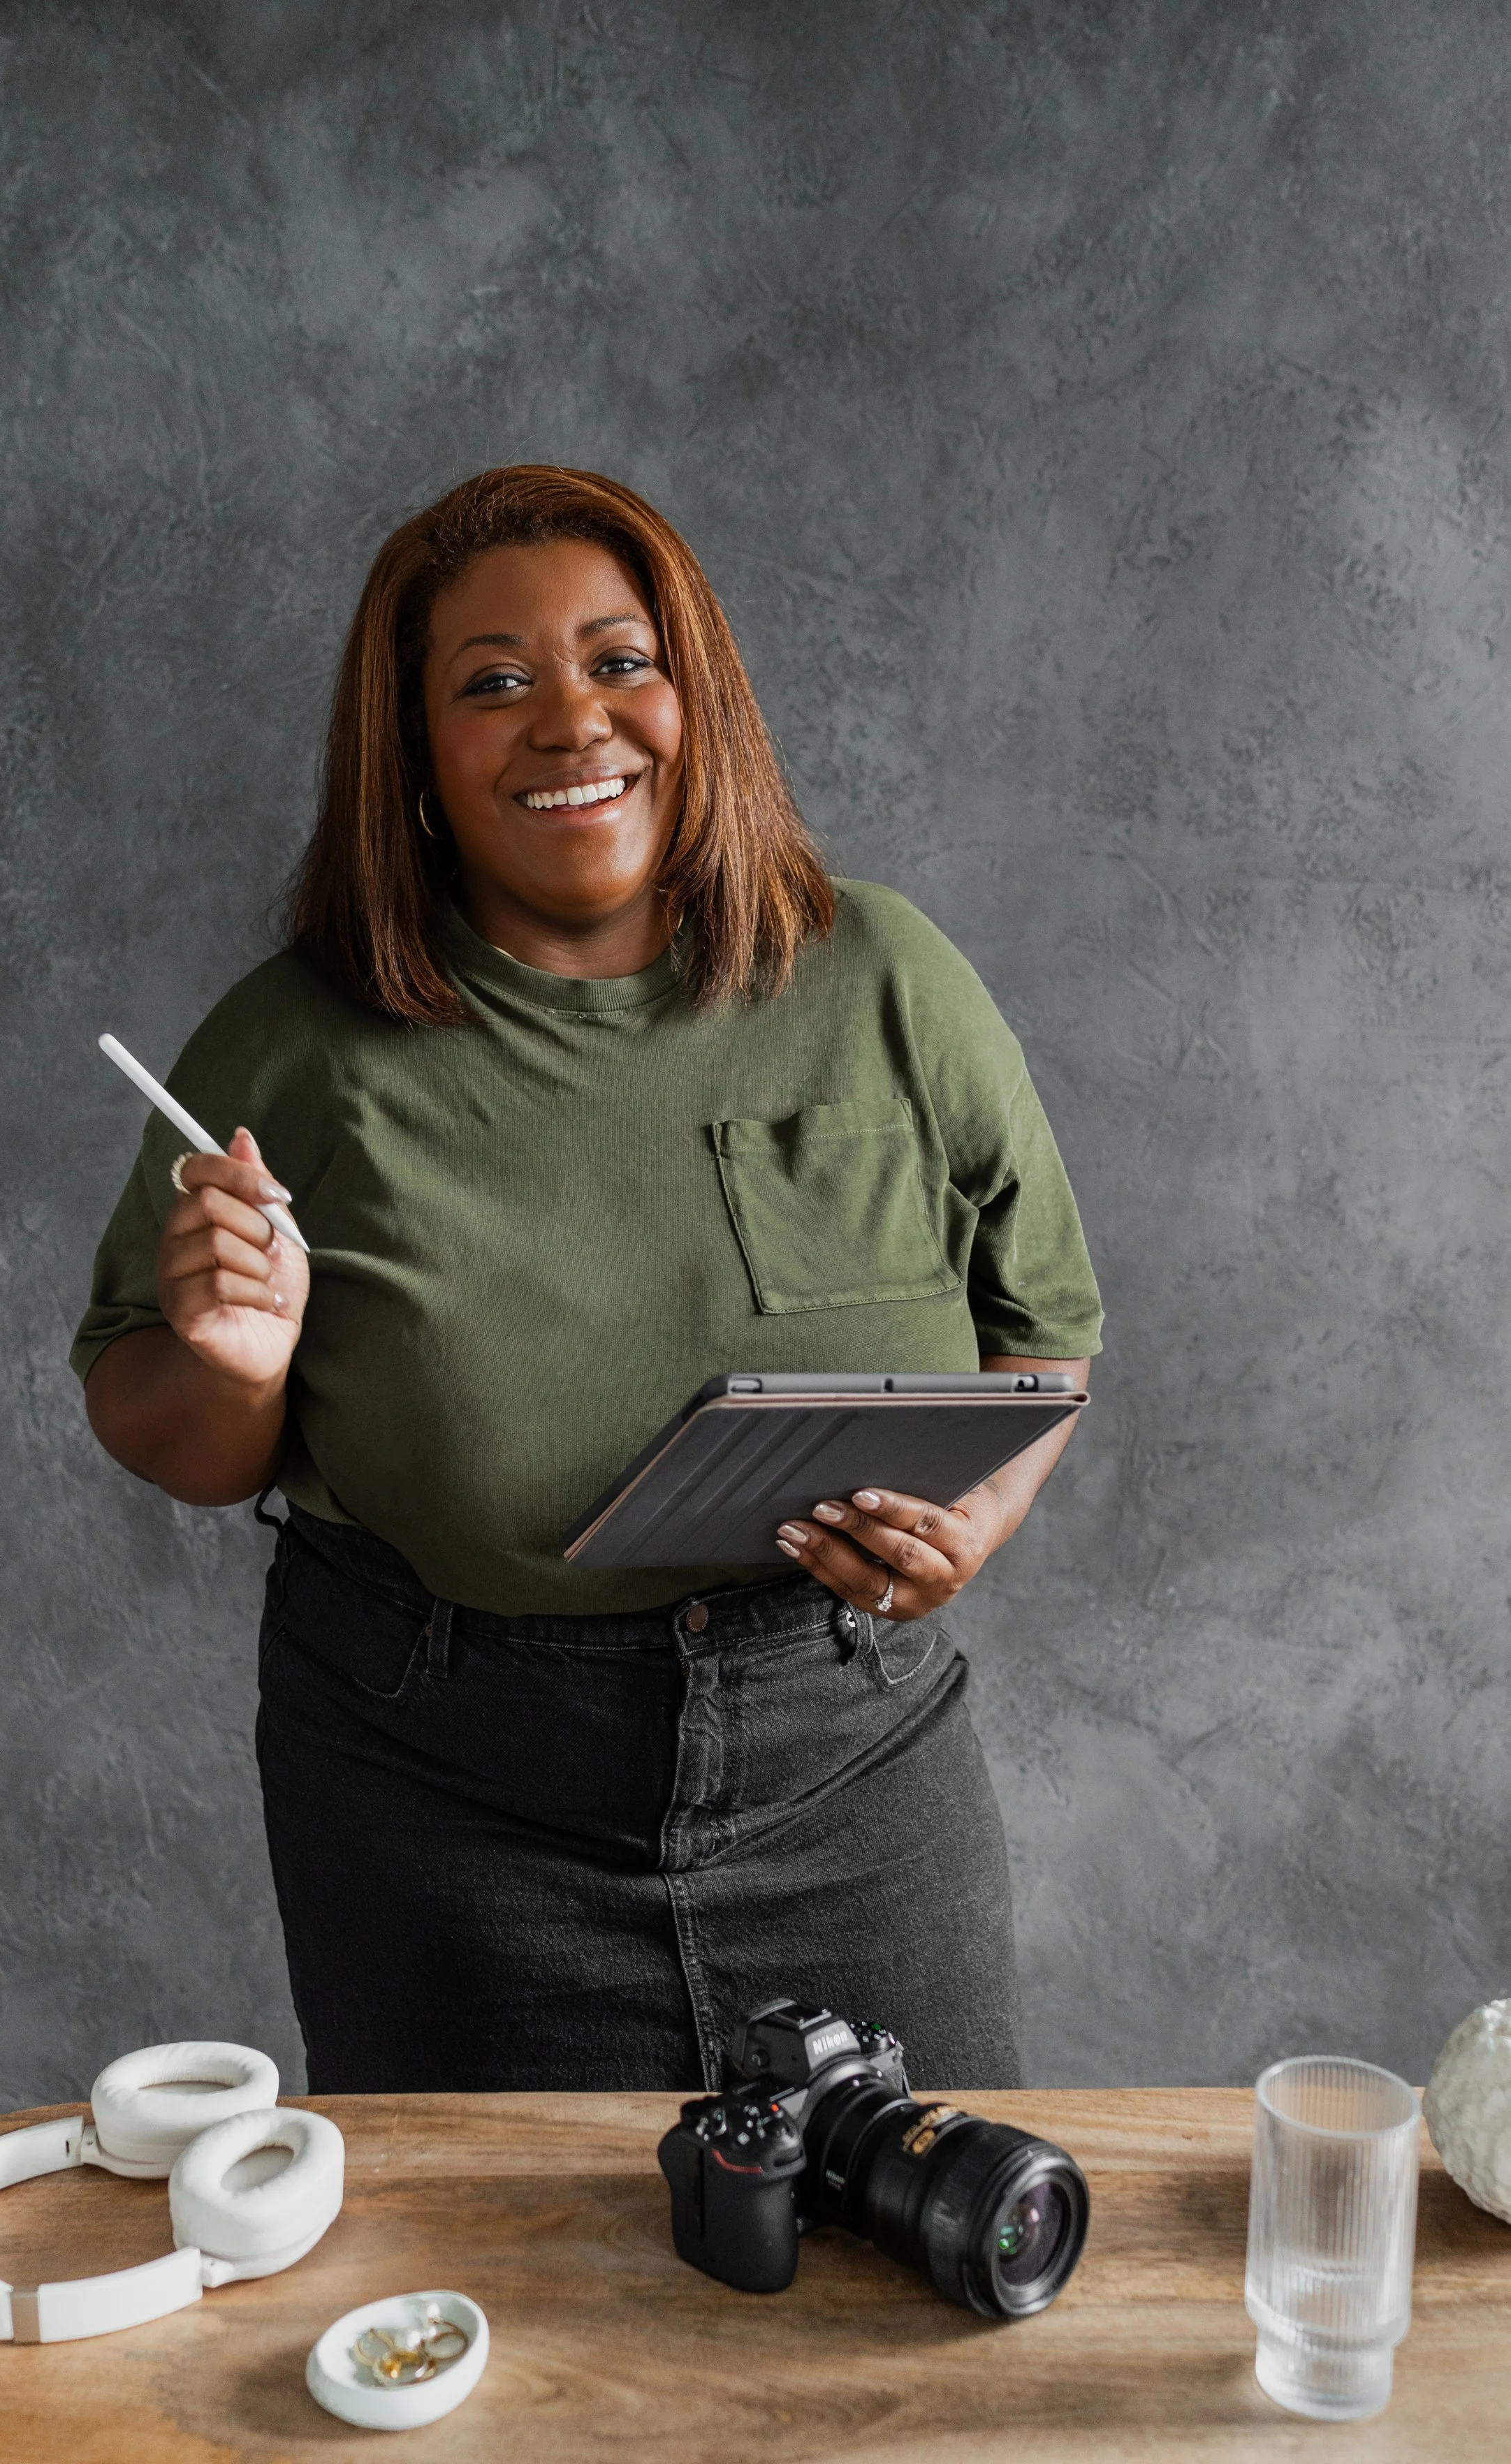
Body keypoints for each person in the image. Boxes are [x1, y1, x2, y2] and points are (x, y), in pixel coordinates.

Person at [74, 464, 1103, 2097]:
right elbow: (172, 1431)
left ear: (696, 695)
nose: (570, 722)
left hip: (845, 1755)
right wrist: (235, 1366)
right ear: (412, 758)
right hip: (441, 1787)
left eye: (619, 662)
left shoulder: (886, 977)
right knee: (514, 2312)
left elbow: (1044, 1342)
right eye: (492, 684)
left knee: (916, 2279)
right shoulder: (294, 1048)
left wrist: (973, 1521)